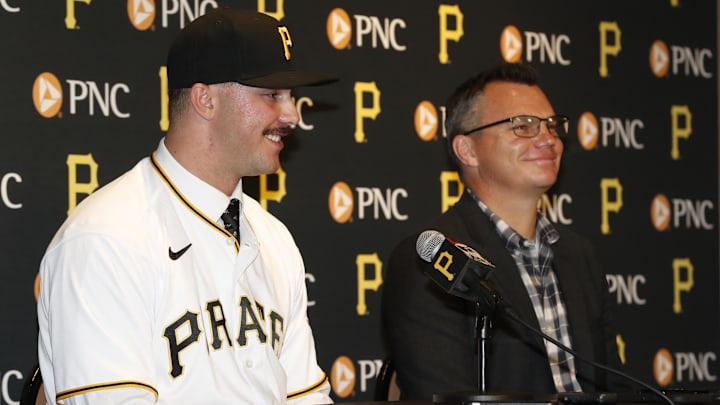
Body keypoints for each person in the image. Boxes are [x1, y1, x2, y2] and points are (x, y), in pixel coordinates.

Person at [37, 7, 335, 404]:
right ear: (205, 100)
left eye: (291, 97)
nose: (292, 114)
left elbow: (306, 398)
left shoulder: (274, 238)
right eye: (271, 95)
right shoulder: (104, 239)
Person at [382, 62, 624, 400]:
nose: (548, 139)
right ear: (467, 150)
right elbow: (442, 395)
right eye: (523, 126)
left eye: (552, 126)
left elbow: (614, 387)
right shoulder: (431, 260)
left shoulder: (579, 255)